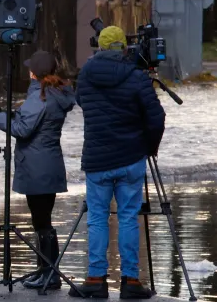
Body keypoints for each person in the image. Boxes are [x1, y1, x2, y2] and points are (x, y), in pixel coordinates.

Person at [70, 26, 165, 299]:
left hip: (98, 159)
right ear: (125, 48)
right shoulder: (136, 76)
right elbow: (156, 118)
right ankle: (131, 281)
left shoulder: (87, 73)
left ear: (99, 48)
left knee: (97, 219)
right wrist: (150, 148)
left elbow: (81, 101)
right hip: (131, 158)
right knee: (128, 218)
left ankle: (95, 280)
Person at [0, 50, 76, 291]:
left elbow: (23, 129)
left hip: (37, 167)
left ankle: (49, 273)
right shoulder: (56, 94)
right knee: (43, 219)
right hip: (49, 164)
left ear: (34, 74)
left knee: (41, 220)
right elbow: (34, 121)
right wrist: (14, 115)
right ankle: (46, 271)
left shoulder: (40, 97)